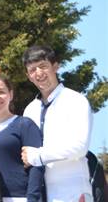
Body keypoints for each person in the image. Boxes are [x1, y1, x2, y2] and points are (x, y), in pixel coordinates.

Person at [20, 45, 93, 201]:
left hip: (72, 193)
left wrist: (38, 156)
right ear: (28, 76)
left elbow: (80, 147)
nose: (38, 73)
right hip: (39, 195)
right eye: (32, 70)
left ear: (55, 66)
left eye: (43, 66)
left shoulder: (76, 100)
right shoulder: (29, 110)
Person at [0, 73, 44, 202]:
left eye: (1, 92)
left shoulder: (24, 125)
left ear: (11, 94)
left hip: (20, 198)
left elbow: (37, 166)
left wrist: (32, 199)